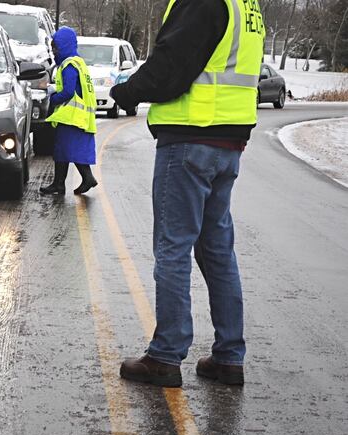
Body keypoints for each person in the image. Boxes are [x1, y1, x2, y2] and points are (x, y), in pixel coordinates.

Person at [109, 0, 265, 387]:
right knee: (217, 249)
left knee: (173, 247)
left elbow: (171, 68)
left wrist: (127, 92)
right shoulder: (247, 5)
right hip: (228, 139)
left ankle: (165, 355)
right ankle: (229, 357)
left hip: (190, 135)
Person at [39, 26, 98, 196]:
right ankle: (82, 180)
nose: (54, 51)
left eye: (55, 47)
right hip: (79, 117)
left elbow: (67, 91)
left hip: (71, 116)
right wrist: (51, 88)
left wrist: (52, 100)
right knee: (69, 149)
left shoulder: (69, 65)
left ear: (63, 46)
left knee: (62, 150)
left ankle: (60, 184)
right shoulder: (78, 62)